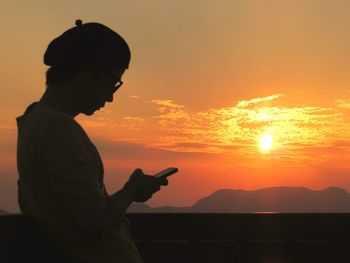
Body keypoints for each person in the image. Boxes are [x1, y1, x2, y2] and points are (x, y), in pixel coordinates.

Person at [16, 19, 168, 263]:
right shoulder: (59, 130)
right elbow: (94, 222)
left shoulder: (32, 122)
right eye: (113, 82)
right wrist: (131, 191)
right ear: (87, 72)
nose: (110, 97)